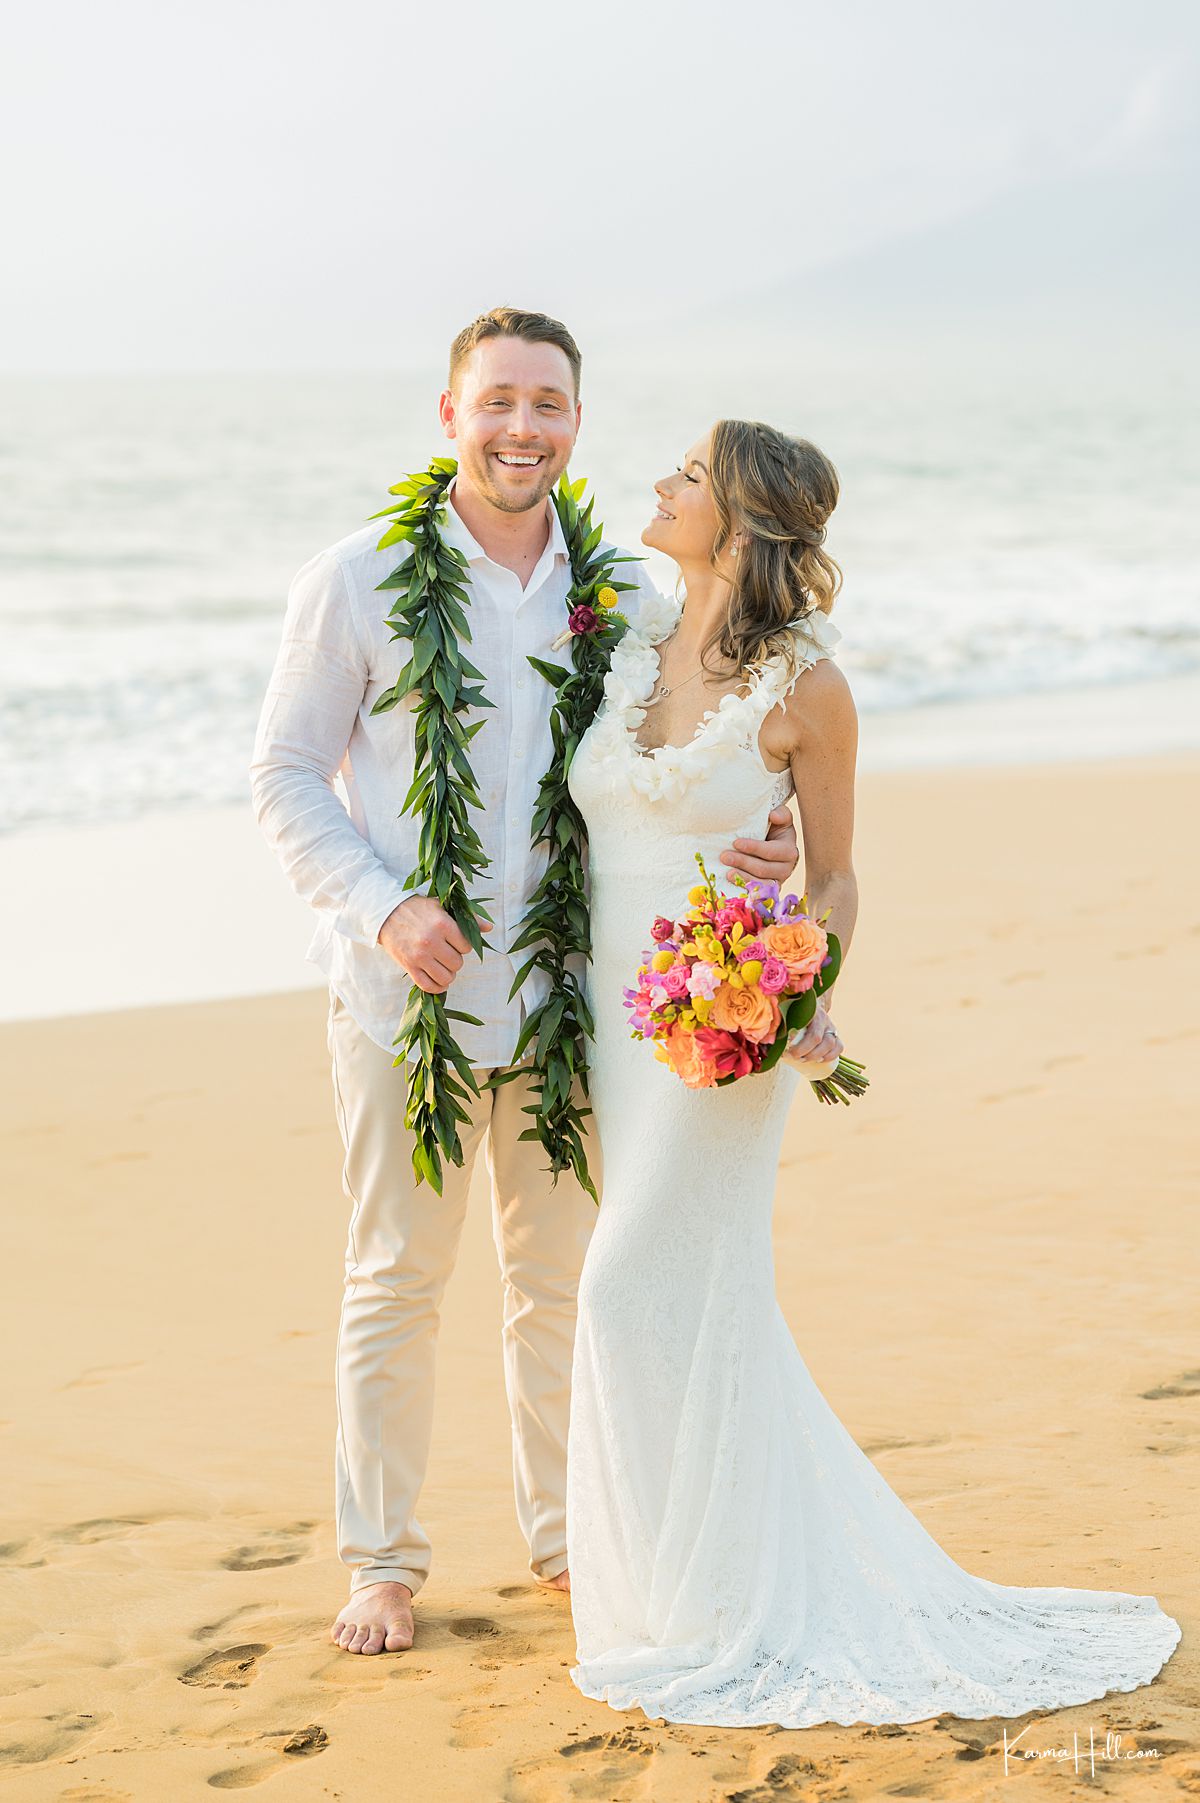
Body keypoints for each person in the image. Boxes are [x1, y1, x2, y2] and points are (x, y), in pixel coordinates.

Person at [562, 418, 1182, 1727]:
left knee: (628, 1290)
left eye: (689, 472)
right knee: (687, 1300)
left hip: (720, 1014)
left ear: (739, 520)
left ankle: (720, 1599)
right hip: (613, 1023)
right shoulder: (623, 647)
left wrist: (796, 986)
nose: (661, 482)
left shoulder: (808, 689)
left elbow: (836, 876)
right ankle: (693, 1590)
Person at [249, 310, 804, 1657]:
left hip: (569, 1010)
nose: (522, 428)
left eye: (548, 406)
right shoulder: (361, 578)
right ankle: (382, 1560)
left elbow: (706, 717)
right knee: (394, 1277)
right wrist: (384, 911)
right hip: (406, 1013)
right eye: (497, 400)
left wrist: (770, 816)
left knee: (558, 1285)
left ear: (574, 426)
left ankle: (565, 1539)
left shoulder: (620, 591)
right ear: (450, 415)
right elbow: (282, 776)